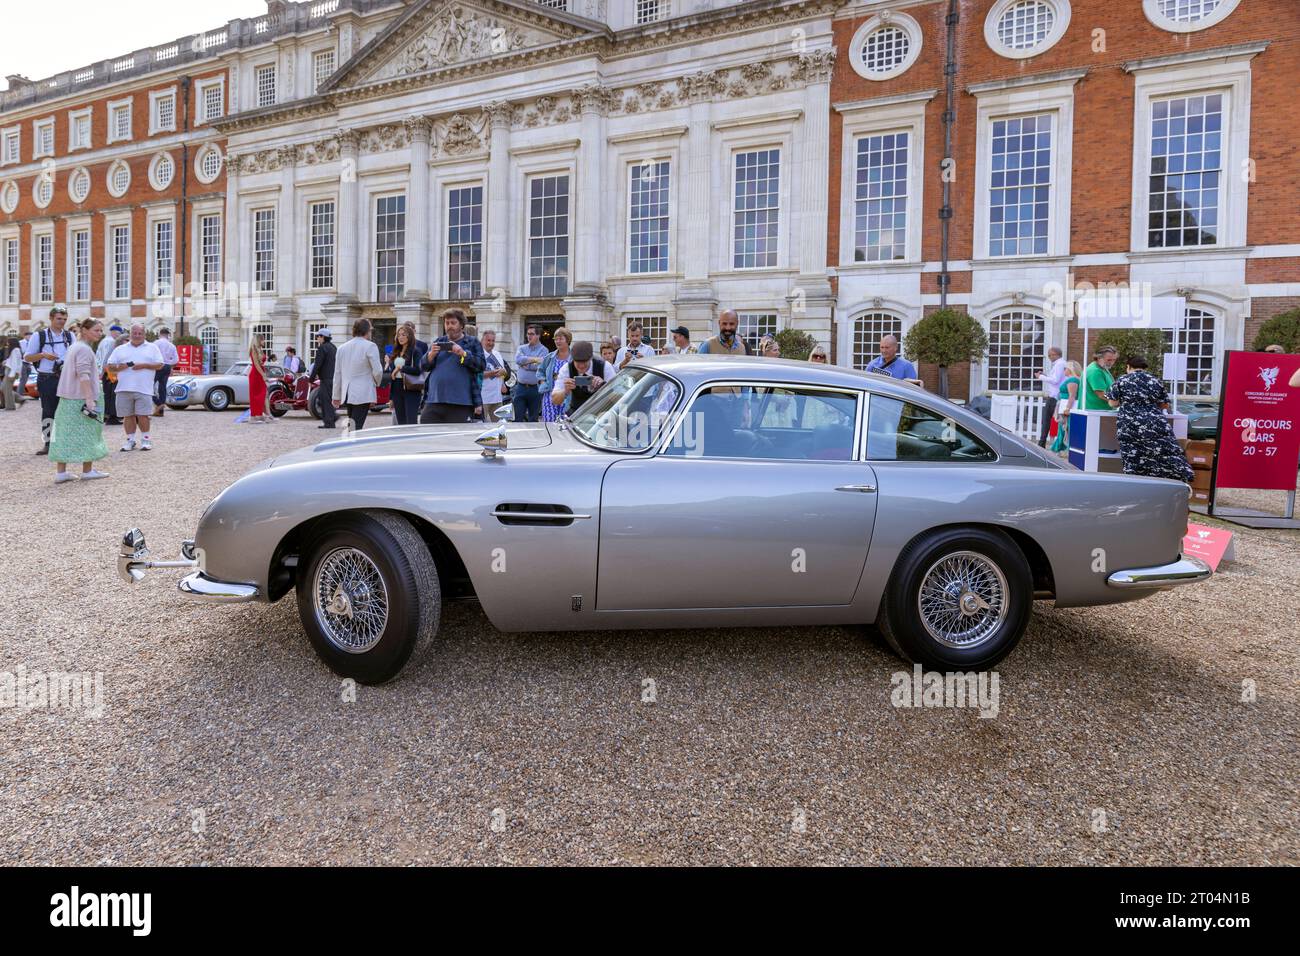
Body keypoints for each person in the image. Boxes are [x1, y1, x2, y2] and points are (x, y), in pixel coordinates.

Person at [1105, 356, 1194, 482]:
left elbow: (1112, 403)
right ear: (1144, 368)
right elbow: (1164, 405)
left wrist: (1127, 402)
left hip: (1129, 424)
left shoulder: (1122, 380)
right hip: (1155, 423)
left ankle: (1135, 484)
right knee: (1160, 454)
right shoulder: (1155, 380)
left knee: (1133, 456)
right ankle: (1168, 481)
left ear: (1128, 367)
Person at [49, 319, 109, 483]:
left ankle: (61, 472)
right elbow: (83, 375)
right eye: (96, 330)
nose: (100, 333)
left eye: (100, 330)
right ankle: (87, 470)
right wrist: (90, 399)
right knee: (89, 432)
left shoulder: (74, 346)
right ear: (85, 330)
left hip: (68, 397)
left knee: (64, 434)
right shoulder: (84, 349)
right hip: (81, 397)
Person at [23, 305, 74, 455]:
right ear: (51, 318)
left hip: (66, 377)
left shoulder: (70, 336)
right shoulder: (40, 336)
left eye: (64, 319)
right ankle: (48, 443)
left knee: (68, 410)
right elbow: (27, 357)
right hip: (47, 378)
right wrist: (44, 355)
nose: (62, 322)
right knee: (48, 410)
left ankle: (65, 441)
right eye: (59, 319)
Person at [420, 308, 484, 424]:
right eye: (447, 323)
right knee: (427, 435)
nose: (449, 326)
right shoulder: (438, 341)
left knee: (456, 440)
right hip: (434, 400)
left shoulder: (472, 342)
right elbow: (423, 366)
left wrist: (462, 353)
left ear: (462, 325)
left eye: (453, 323)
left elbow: (481, 365)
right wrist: (431, 355)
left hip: (461, 402)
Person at [106, 323, 164, 451]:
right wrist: (124, 366)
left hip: (144, 388)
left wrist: (144, 365)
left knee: (143, 415)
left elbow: (160, 365)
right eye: (135, 333)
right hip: (123, 387)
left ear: (144, 334)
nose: (137, 336)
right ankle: (130, 440)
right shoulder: (120, 349)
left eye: (140, 333)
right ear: (130, 334)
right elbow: (110, 367)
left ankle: (146, 439)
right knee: (128, 415)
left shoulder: (152, 348)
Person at [332, 318, 383, 430]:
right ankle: (352, 445)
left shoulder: (341, 348)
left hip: (347, 392)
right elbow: (378, 371)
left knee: (353, 424)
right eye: (371, 330)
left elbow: (337, 374)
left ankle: (350, 443)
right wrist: (376, 383)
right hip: (363, 392)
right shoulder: (370, 346)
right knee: (356, 427)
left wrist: (336, 395)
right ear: (367, 330)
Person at [384, 321, 427, 426]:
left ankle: (412, 442)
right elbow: (392, 376)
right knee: (401, 422)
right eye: (399, 335)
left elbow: (418, 370)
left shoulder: (415, 351)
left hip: (410, 389)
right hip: (397, 389)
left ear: (410, 336)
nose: (400, 337)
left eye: (404, 335)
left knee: (411, 421)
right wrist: (391, 397)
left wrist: (401, 368)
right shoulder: (396, 352)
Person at [550, 340, 608, 416]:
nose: (581, 366)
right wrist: (565, 391)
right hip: (576, 414)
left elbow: (620, 397)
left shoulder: (605, 367)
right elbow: (555, 400)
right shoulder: (566, 369)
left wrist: (604, 385)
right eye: (578, 362)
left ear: (591, 358)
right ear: (573, 359)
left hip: (600, 414)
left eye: (584, 362)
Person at [513, 324, 548, 423]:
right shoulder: (521, 348)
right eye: (528, 334)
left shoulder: (544, 350)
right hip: (520, 388)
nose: (529, 336)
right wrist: (535, 359)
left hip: (535, 389)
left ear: (538, 335)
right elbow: (518, 360)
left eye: (532, 334)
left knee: (533, 419)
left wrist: (525, 364)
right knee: (517, 418)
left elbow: (541, 367)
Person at [1036, 346, 1067, 447]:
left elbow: (1055, 380)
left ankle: (1042, 443)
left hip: (1055, 397)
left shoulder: (1060, 364)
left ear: (1056, 354)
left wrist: (1040, 377)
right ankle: (1043, 442)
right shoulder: (1059, 364)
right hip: (1056, 396)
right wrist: (1044, 375)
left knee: (1047, 421)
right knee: (1049, 421)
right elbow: (1055, 379)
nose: (1049, 357)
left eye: (1050, 355)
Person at [540, 327, 572, 423]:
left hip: (567, 397)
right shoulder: (549, 357)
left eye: (560, 339)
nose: (558, 341)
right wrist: (543, 383)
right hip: (550, 397)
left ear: (568, 340)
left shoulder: (574, 358)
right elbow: (540, 372)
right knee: (549, 426)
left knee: (566, 427)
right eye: (556, 339)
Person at [1050, 361, 1082, 454]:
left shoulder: (1073, 380)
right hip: (1063, 405)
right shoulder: (1072, 379)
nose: (1064, 370)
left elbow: (1072, 395)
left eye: (1065, 368)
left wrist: (1067, 408)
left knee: (1065, 428)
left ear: (1070, 369)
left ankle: (1061, 449)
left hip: (1067, 407)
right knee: (1063, 428)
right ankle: (1059, 448)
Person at [308, 329, 338, 429]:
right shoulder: (333, 347)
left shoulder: (322, 348)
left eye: (318, 336)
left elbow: (317, 365)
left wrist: (311, 379)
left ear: (323, 337)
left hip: (326, 378)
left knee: (325, 400)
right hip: (333, 377)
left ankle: (329, 422)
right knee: (324, 399)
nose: (317, 338)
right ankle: (332, 417)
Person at [97, 325, 125, 424]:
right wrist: (104, 370)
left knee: (107, 395)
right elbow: (107, 357)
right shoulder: (111, 342)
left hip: (105, 370)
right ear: (115, 332)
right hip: (109, 371)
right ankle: (112, 416)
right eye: (119, 334)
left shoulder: (104, 341)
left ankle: (107, 415)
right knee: (112, 395)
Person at [480, 329, 508, 422]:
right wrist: (495, 373)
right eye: (488, 340)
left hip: (497, 397)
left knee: (500, 425)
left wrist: (503, 382)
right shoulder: (479, 354)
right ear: (482, 340)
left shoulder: (497, 354)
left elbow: (502, 371)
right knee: (481, 426)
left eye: (493, 341)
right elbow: (478, 374)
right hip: (483, 398)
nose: (491, 343)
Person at [247, 334, 273, 424]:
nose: (264, 342)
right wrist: (263, 375)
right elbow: (256, 365)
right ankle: (253, 417)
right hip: (255, 374)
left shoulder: (260, 350)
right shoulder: (253, 350)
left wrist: (263, 374)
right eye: (263, 340)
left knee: (264, 394)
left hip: (260, 373)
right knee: (255, 396)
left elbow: (261, 364)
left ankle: (264, 415)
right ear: (258, 340)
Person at [1083, 346, 1118, 411]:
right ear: (1099, 358)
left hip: (1099, 410)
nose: (1112, 363)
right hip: (1095, 411)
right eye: (1109, 360)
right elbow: (1101, 394)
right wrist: (1118, 402)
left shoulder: (1102, 368)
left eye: (1114, 360)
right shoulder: (1095, 371)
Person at [153, 326, 178, 416]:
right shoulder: (172, 345)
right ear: (168, 335)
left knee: (149, 386)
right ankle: (160, 412)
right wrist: (168, 363)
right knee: (162, 388)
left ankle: (159, 404)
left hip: (158, 366)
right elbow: (176, 360)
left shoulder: (155, 343)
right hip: (167, 367)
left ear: (160, 334)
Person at [2, 336, 21, 410]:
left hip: (11, 371)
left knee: (7, 389)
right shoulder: (14, 350)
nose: (7, 343)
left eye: (8, 341)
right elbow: (13, 361)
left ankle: (10, 406)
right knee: (4, 388)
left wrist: (12, 374)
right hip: (9, 370)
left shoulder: (15, 350)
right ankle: (18, 399)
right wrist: (6, 362)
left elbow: (15, 363)